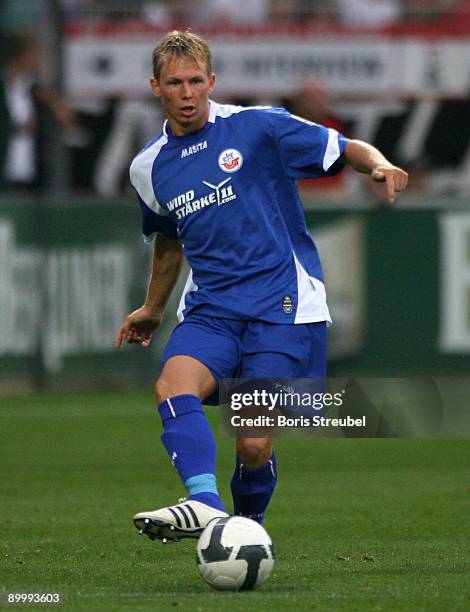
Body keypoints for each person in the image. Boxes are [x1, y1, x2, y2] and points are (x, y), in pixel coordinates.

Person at [115, 30, 408, 543]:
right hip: (212, 310)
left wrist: (378, 164)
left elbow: (344, 148)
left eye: (196, 81)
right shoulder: (148, 167)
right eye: (175, 83)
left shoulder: (258, 127)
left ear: (212, 82)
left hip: (283, 307)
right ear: (155, 87)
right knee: (171, 385)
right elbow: (168, 240)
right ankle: (205, 503)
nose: (187, 93)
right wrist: (153, 307)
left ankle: (248, 531)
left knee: (252, 443)